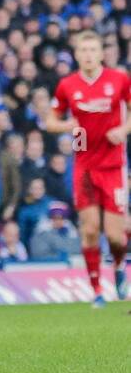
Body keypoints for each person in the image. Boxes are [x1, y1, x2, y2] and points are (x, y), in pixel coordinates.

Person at [45, 30, 131, 305]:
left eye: (94, 50)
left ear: (101, 53)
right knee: (90, 229)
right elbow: (50, 120)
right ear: (77, 54)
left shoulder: (119, 79)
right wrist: (65, 125)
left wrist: (124, 129)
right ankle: (96, 291)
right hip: (83, 166)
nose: (89, 55)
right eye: (84, 50)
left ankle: (118, 267)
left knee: (116, 237)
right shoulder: (67, 85)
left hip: (113, 166)